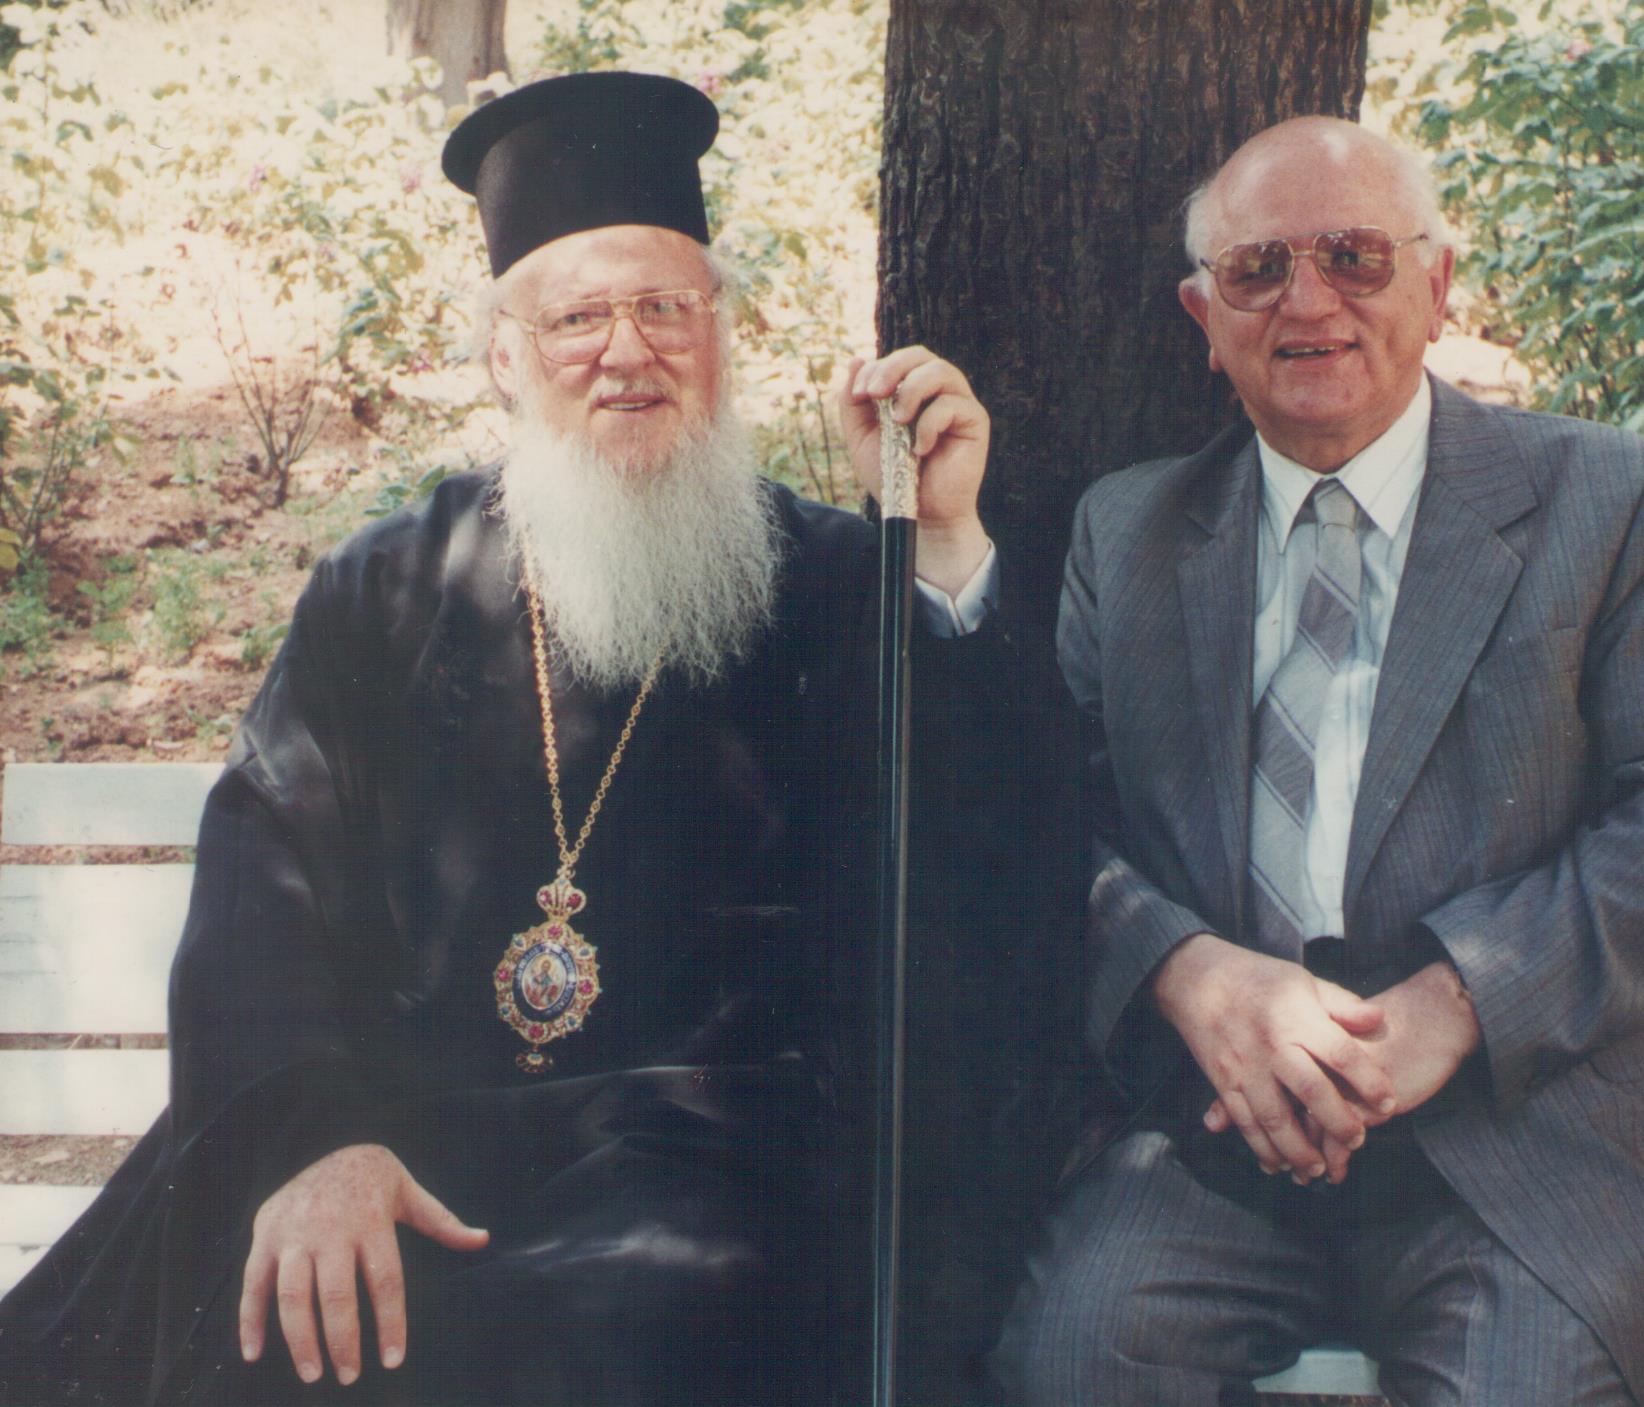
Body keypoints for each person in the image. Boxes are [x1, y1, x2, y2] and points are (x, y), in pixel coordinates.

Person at [0, 71, 1072, 1407]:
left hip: (713, 1155)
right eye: (577, 318)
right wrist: (314, 1143)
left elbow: (988, 856)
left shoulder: (839, 582)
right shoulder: (384, 590)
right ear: (505, 358)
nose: (629, 353)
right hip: (402, 1129)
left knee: (626, 1323)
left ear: (723, 336)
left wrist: (947, 542)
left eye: (667, 308)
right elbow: (261, 896)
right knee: (250, 1322)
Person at [993, 116, 1644, 1407]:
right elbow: (1049, 826)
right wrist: (1190, 977)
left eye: (1354, 256)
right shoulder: (1126, 531)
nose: (1309, 303)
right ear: (1203, 315)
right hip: (1220, 1132)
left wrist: (1451, 1006)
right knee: (1074, 1365)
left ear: (1436, 283)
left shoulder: (1621, 504)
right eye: (1258, 269)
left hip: (1531, 1143)